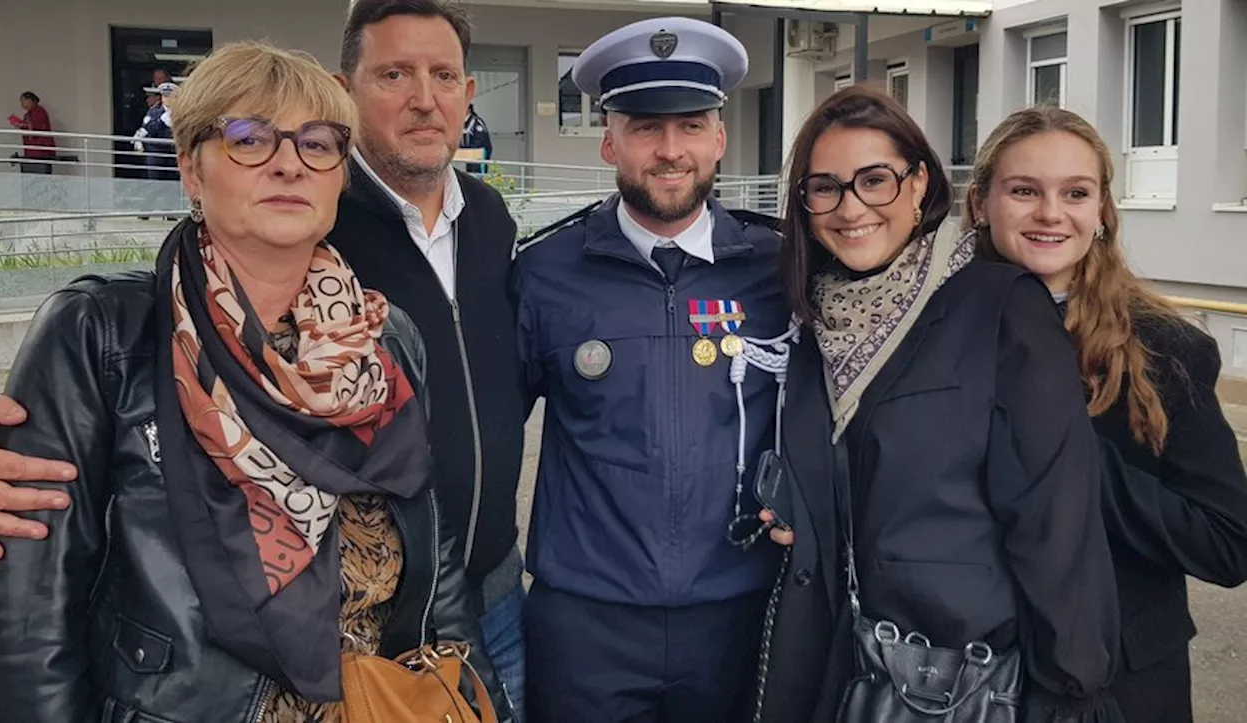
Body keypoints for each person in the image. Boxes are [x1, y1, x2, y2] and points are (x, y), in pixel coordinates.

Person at [0, 0, 532, 718]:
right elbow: (25, 620)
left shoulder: (384, 338)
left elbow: (433, 542)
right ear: (191, 172)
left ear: (337, 174)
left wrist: (471, 695)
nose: (289, 164)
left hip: (377, 697)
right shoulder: (106, 333)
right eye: (248, 139)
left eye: (317, 143)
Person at [754, 86, 1124, 722]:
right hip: (844, 664)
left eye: (876, 180)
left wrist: (1073, 687)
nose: (852, 207)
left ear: (920, 183)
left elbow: (1055, 519)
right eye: (825, 187)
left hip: (957, 675)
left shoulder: (998, 304)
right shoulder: (814, 318)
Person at [510, 16, 791, 722]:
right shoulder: (544, 273)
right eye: (644, 127)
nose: (671, 151)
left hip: (739, 612)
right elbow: (482, 432)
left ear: (719, 139)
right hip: (586, 627)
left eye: (692, 125)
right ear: (609, 140)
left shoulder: (779, 270)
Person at [963, 105, 1247, 723]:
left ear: (1101, 213)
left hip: (1123, 682)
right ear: (981, 203)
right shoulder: (937, 334)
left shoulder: (1167, 350)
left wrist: (1067, 458)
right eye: (1023, 191)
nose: (1050, 213)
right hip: (967, 673)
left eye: (1075, 192)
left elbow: (1228, 544)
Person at [134, 81, 179, 181]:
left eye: (170, 96)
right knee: (155, 181)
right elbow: (148, 129)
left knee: (173, 182)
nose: (167, 99)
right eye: (165, 96)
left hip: (173, 152)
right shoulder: (154, 111)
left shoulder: (181, 112)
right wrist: (161, 121)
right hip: (156, 151)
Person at [8, 91, 55, 174]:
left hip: (40, 150)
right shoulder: (30, 113)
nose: (21, 104)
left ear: (29, 100)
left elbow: (36, 127)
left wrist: (20, 124)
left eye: (22, 101)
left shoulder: (39, 111)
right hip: (32, 151)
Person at [460, 103, 492, 174]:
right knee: (470, 173)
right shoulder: (464, 122)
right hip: (470, 155)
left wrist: (468, 149)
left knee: (477, 174)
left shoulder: (476, 122)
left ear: (468, 109)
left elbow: (480, 140)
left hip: (480, 153)